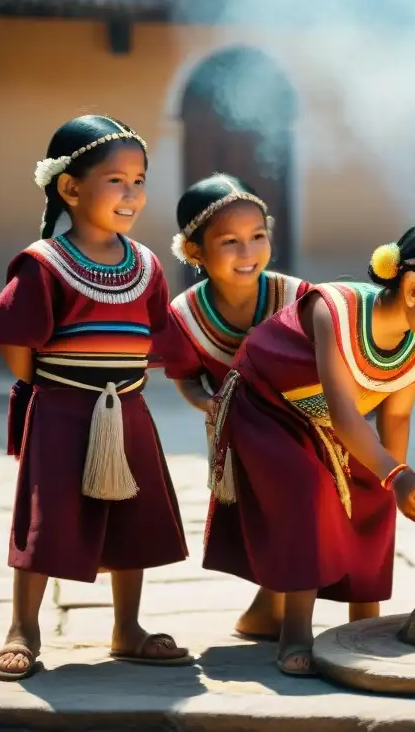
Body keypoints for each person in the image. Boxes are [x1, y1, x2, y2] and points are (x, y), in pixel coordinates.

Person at [204, 219, 415, 676]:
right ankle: (295, 632)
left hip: (330, 423)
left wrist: (394, 479)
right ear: (414, 289)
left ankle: (361, 626)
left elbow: (394, 416)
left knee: (374, 496)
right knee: (308, 488)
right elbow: (344, 414)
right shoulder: (333, 308)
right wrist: (396, 474)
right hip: (267, 408)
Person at [0, 115, 190, 681]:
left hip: (128, 411)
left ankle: (126, 627)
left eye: (139, 179)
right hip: (61, 409)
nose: (131, 193)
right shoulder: (44, 264)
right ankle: (23, 628)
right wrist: (49, 392)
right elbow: (16, 339)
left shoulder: (148, 264)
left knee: (132, 517)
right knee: (46, 518)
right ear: (70, 188)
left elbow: (156, 336)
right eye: (115, 180)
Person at [152, 173, 311, 641]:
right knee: (268, 518)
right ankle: (273, 609)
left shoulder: (297, 297)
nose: (248, 253)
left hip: (303, 425)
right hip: (238, 434)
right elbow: (186, 378)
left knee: (296, 508)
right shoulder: (183, 316)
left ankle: (273, 606)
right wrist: (213, 406)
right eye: (230, 242)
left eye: (257, 236)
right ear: (194, 251)